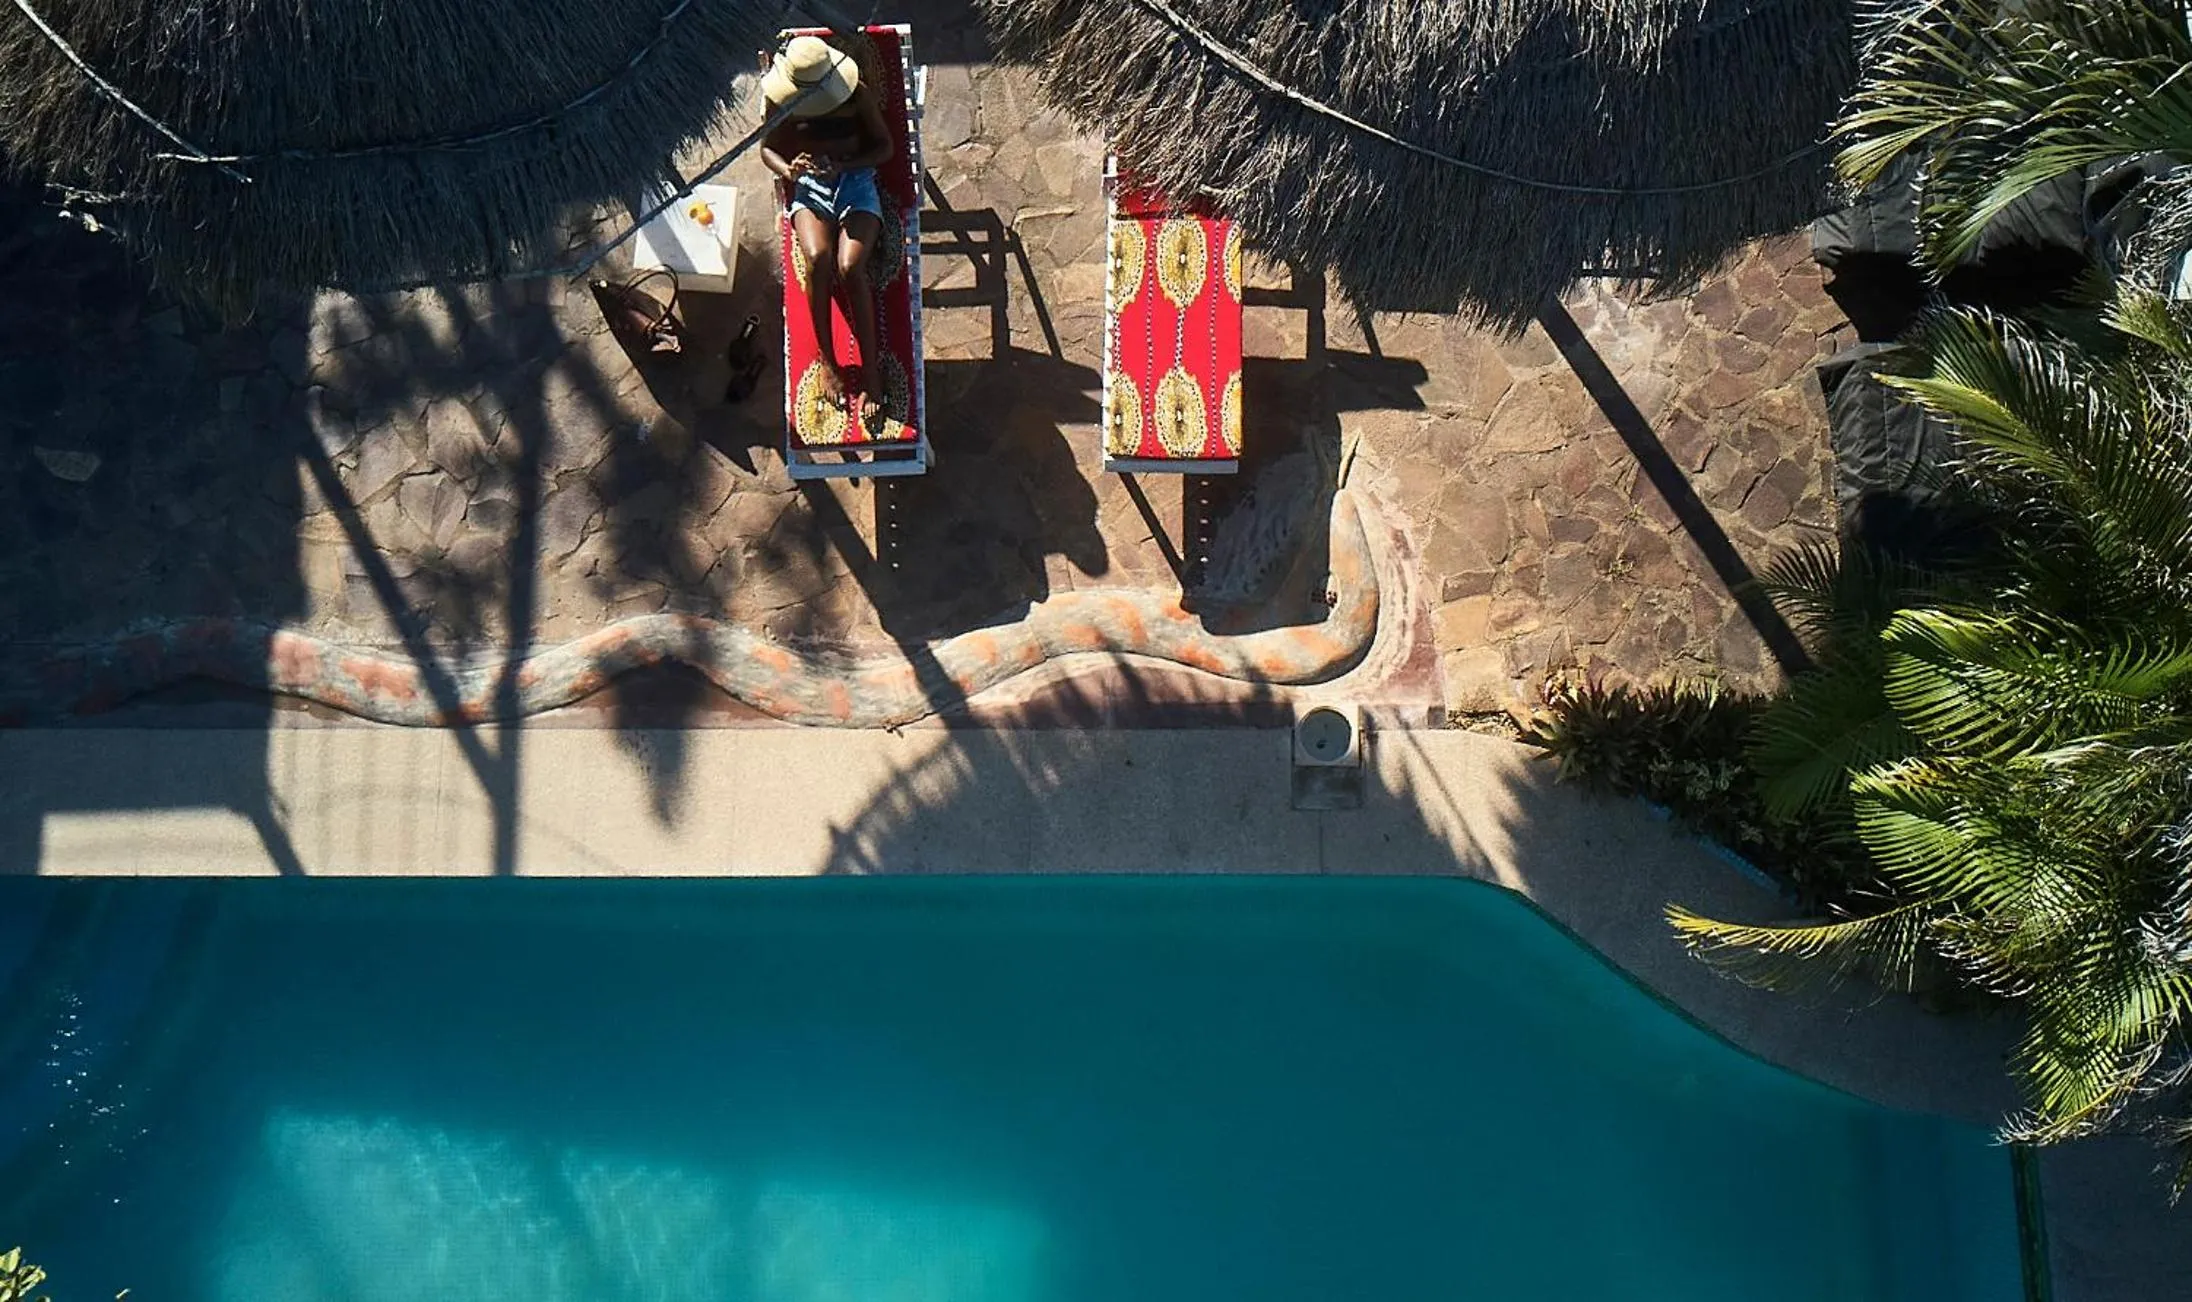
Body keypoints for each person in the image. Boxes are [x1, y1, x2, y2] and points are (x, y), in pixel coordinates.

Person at [760, 35, 895, 427]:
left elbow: (884, 147)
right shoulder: (782, 98)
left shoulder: (856, 94)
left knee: (850, 267)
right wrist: (789, 171)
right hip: (810, 186)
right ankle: (827, 360)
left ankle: (870, 371)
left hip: (855, 179)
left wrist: (846, 165)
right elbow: (767, 149)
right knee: (818, 259)